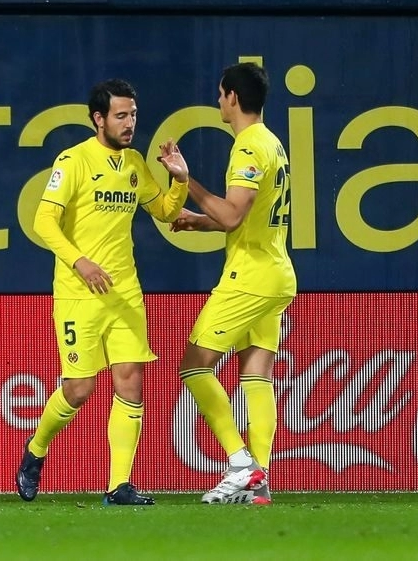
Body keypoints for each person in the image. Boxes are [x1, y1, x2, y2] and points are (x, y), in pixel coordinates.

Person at [13, 79, 190, 505]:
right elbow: (43, 222)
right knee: (79, 388)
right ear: (98, 118)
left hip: (124, 290)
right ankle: (35, 450)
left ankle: (118, 485)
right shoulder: (73, 161)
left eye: (133, 114)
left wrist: (180, 179)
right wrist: (80, 261)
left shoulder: (133, 164)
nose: (130, 123)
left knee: (131, 382)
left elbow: (166, 212)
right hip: (78, 292)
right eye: (120, 116)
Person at [171, 62, 295, 505]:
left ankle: (240, 462)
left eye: (220, 94)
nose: (218, 101)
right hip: (276, 272)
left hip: (251, 276)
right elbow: (243, 220)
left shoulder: (246, 147)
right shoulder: (273, 144)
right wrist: (200, 223)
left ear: (232, 98)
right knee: (256, 374)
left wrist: (189, 184)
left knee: (193, 364)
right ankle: (259, 480)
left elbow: (233, 215)